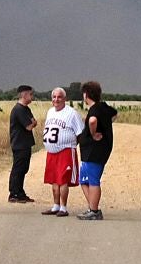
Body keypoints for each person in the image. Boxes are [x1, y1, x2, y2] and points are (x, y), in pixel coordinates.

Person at [41, 86, 85, 216]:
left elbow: (80, 132)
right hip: (51, 151)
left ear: (65, 98)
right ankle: (55, 205)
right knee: (54, 179)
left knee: (63, 180)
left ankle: (63, 207)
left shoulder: (72, 113)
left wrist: (75, 144)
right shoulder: (50, 111)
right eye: (54, 97)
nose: (56, 99)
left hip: (65, 150)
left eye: (59, 97)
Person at [77, 80, 117, 219]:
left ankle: (94, 211)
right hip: (95, 151)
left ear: (86, 95)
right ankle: (92, 207)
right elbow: (114, 114)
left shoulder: (94, 109)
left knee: (93, 180)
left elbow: (92, 120)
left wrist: (93, 133)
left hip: (94, 151)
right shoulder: (104, 107)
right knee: (83, 180)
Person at [6, 85, 37, 203]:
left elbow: (33, 122)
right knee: (18, 169)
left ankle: (20, 192)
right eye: (30, 94)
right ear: (24, 95)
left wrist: (32, 123)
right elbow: (29, 125)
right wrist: (32, 123)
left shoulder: (26, 109)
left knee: (24, 168)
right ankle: (13, 193)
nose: (32, 96)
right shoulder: (18, 109)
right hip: (19, 143)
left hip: (25, 143)